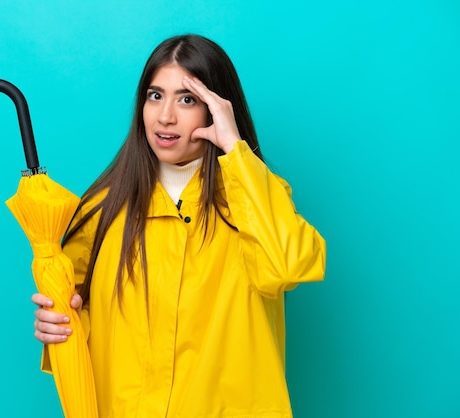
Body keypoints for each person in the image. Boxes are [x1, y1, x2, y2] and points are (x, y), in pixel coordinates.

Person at [32, 34, 326, 417]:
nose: (165, 116)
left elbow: (287, 266)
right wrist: (57, 326)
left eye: (186, 99)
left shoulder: (253, 197)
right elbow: (78, 323)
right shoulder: (104, 207)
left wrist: (235, 151)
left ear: (215, 108)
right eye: (155, 96)